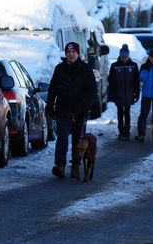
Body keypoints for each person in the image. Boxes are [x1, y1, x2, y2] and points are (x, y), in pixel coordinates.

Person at [46, 41, 97, 179]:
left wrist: (86, 107)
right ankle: (60, 166)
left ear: (77, 53)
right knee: (62, 137)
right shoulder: (59, 69)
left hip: (79, 112)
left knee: (77, 140)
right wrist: (50, 106)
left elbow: (92, 91)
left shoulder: (86, 69)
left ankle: (75, 165)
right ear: (65, 54)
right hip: (62, 110)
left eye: (73, 52)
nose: (71, 54)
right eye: (68, 52)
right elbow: (52, 89)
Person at [107, 44, 140, 141]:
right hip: (119, 95)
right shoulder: (115, 66)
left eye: (126, 57)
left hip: (129, 94)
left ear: (128, 56)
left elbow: (136, 81)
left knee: (127, 113)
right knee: (120, 113)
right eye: (122, 57)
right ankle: (121, 132)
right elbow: (111, 81)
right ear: (120, 56)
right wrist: (111, 94)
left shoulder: (133, 65)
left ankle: (127, 132)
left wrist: (137, 93)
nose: (124, 58)